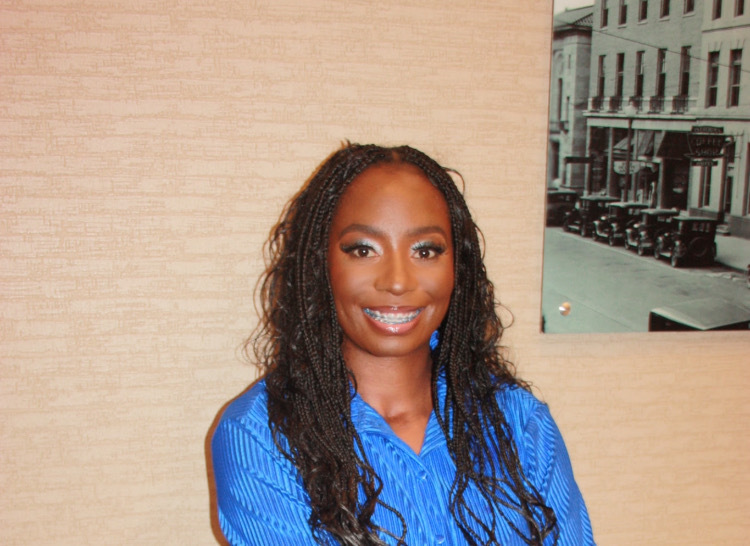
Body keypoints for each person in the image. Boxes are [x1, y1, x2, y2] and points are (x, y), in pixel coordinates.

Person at [211, 143, 594, 545]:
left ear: (457, 267)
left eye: (425, 251)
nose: (397, 281)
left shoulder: (519, 422)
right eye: (363, 250)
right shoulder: (262, 435)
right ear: (320, 263)